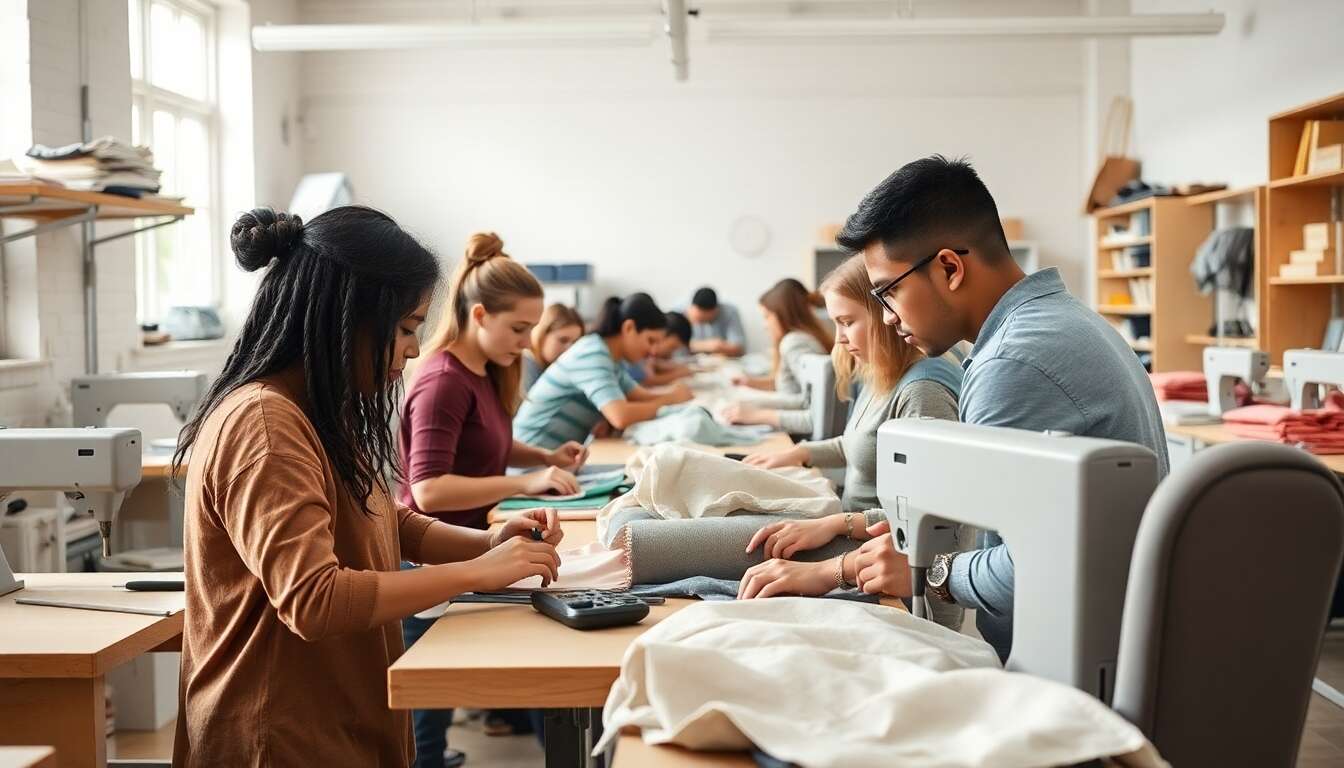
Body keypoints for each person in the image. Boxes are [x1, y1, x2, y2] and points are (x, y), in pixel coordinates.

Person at [171, 207, 564, 768]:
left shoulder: (318, 411)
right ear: (344, 318)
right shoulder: (266, 425)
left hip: (335, 718)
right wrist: (476, 575)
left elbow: (384, 518)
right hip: (279, 736)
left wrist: (488, 544)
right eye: (405, 329)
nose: (411, 349)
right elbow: (315, 600)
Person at [841, 155, 1168, 661]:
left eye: (888, 293)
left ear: (949, 267)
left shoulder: (1011, 362)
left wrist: (931, 572)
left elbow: (1040, 562)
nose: (885, 319)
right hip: (1107, 643)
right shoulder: (1062, 320)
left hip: (1067, 673)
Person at [398, 233, 589, 766]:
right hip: (426, 551)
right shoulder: (442, 379)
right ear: (479, 314)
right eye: (520, 329)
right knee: (425, 714)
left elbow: (488, 442)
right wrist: (522, 483)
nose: (528, 343)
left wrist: (544, 455)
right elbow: (428, 489)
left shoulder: (482, 372)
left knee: (436, 708)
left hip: (466, 540)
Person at [730, 255, 965, 629]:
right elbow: (861, 443)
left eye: (847, 322)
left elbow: (935, 520)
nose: (838, 338)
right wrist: (800, 452)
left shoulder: (924, 391)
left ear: (885, 313)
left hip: (897, 579)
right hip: (859, 546)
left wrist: (839, 524)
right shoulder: (880, 373)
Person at [514, 293, 694, 448]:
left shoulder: (610, 359)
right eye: (650, 340)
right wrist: (670, 398)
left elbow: (640, 396)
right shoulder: (592, 353)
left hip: (553, 464)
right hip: (532, 465)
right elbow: (620, 416)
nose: (653, 351)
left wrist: (674, 395)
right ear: (629, 328)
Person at [723, 278, 834, 435]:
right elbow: (791, 386)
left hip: (794, 434)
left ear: (782, 314)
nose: (765, 325)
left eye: (767, 316)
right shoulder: (805, 337)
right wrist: (751, 383)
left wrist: (754, 408)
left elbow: (807, 401)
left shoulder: (794, 343)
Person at [523, 303, 584, 393]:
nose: (570, 349)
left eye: (575, 342)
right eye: (563, 340)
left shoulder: (553, 368)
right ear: (542, 336)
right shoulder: (526, 365)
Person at [625, 311, 694, 387]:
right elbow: (647, 380)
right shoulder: (635, 351)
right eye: (672, 347)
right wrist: (678, 374)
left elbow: (654, 365)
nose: (670, 354)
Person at [678, 286, 746, 356]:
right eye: (699, 319)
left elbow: (738, 348)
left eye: (705, 318)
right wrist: (709, 346)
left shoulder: (730, 311)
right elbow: (676, 347)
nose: (702, 322)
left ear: (716, 310)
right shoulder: (679, 312)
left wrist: (693, 345)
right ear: (691, 308)